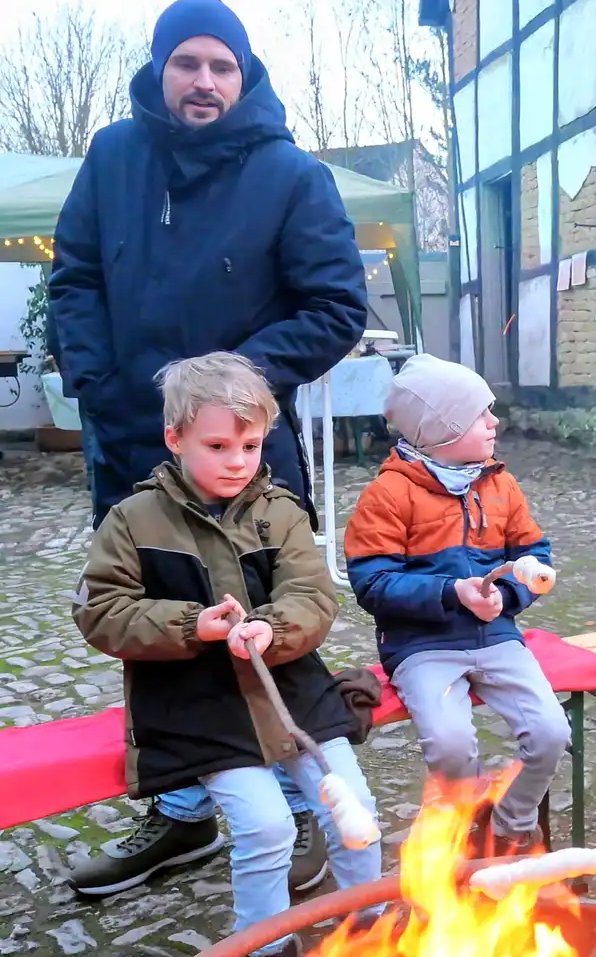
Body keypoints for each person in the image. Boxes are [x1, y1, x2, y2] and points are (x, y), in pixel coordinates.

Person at [50, 0, 369, 895]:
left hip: (246, 452)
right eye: (186, 63)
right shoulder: (113, 156)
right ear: (160, 69)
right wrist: (98, 381)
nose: (203, 81)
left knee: (264, 622)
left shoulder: (291, 174)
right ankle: (183, 811)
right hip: (132, 445)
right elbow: (73, 278)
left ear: (244, 75)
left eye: (221, 66)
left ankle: (299, 804)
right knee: (158, 626)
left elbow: (335, 307)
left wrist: (229, 389)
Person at [73, 353, 380, 957]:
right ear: (175, 438)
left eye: (251, 445)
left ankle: (369, 922)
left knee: (356, 810)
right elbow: (101, 611)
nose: (238, 461)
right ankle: (265, 945)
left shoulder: (281, 511)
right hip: (200, 705)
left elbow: (313, 595)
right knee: (266, 827)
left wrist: (271, 627)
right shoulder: (132, 520)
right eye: (217, 446)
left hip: (292, 692)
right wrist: (193, 625)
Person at [344, 355, 571, 856]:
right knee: (449, 747)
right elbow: (372, 582)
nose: (494, 422)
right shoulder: (387, 495)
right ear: (441, 429)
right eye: (479, 415)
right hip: (421, 646)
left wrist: (510, 594)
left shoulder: (500, 484)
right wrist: (451, 593)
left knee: (552, 732)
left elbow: (534, 553)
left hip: (496, 638)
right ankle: (473, 807)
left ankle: (511, 824)